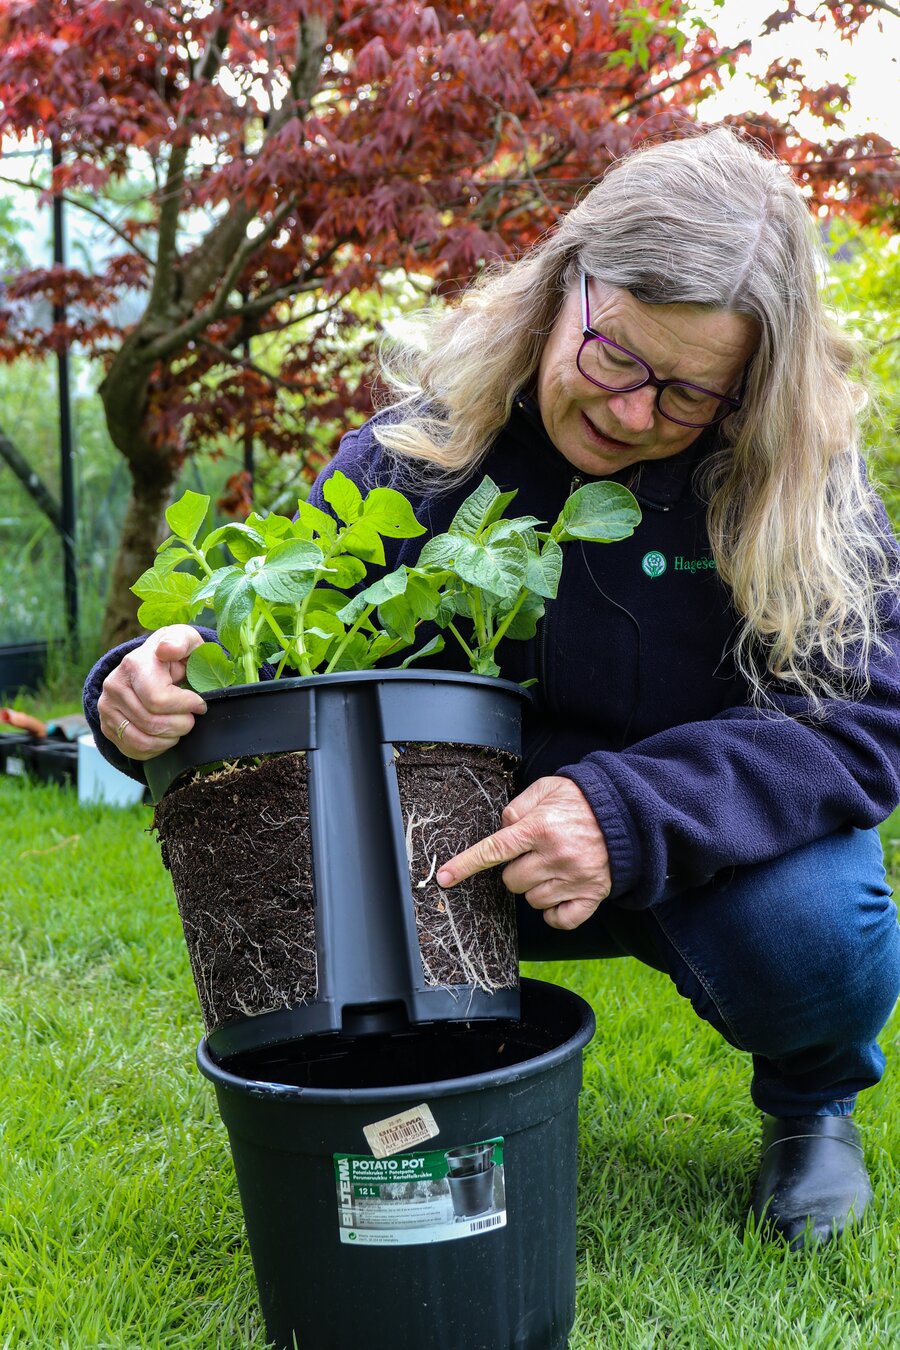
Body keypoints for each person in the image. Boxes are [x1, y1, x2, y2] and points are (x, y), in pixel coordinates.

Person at [84, 126, 900, 1250]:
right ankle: (396, 1094)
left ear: (751, 386)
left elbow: (862, 720)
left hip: (696, 850)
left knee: (815, 925)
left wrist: (626, 815)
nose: (631, 412)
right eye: (616, 358)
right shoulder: (421, 455)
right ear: (566, 285)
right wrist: (138, 691)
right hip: (457, 856)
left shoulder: (793, 484)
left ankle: (812, 1106)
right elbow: (270, 644)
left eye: (689, 394)